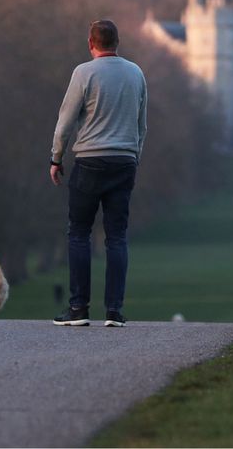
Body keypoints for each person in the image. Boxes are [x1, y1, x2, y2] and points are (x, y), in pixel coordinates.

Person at [49, 19, 147, 328]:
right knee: (116, 236)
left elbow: (65, 121)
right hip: (124, 161)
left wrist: (56, 157)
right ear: (117, 42)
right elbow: (141, 124)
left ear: (91, 44)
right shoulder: (136, 73)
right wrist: (134, 157)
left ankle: (78, 308)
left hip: (90, 161)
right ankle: (114, 311)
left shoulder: (84, 73)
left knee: (79, 233)